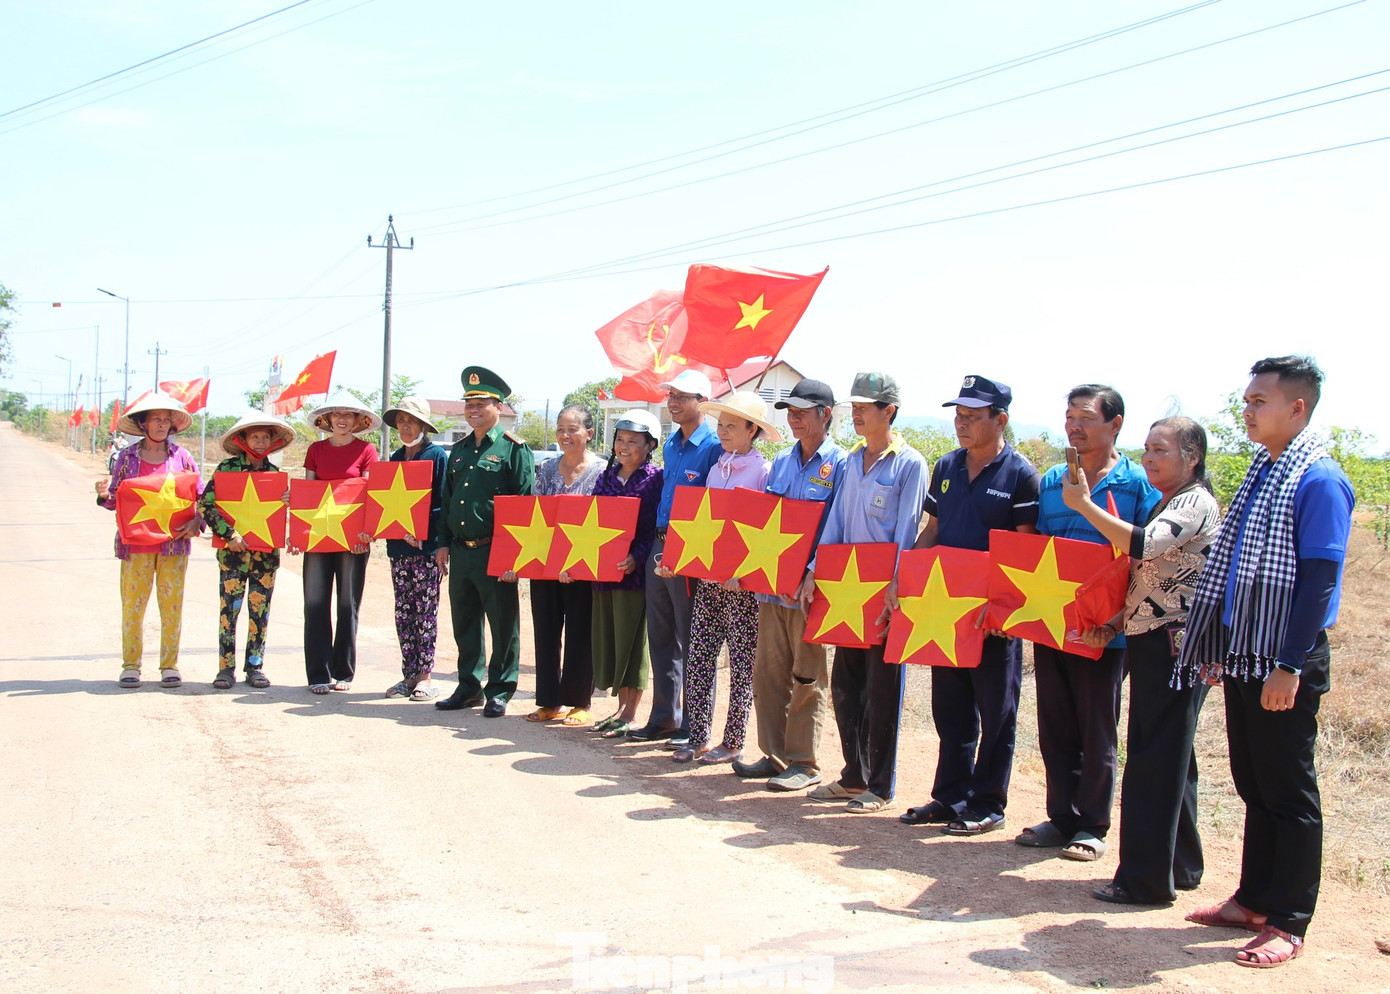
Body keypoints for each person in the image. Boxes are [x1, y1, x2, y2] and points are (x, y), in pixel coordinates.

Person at [1176, 356, 1353, 969]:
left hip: (1284, 656)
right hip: (1247, 649)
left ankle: (1289, 920)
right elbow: (1237, 571)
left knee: (1289, 789)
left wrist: (1289, 665)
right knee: (1254, 782)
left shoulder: (1318, 479)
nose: (1246, 411)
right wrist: (1220, 646)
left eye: (1259, 401)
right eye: (1247, 400)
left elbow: (1319, 581)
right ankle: (1253, 900)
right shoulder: (1263, 470)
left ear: (1296, 408)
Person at [1060, 416, 1220, 903]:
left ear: (1192, 457)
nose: (1149, 458)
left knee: (1154, 757)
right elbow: (1145, 575)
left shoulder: (1194, 502)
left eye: (1161, 450)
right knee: (1173, 754)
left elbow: (1143, 545)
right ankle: (1179, 864)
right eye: (1147, 449)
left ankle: (1144, 881)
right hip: (1156, 639)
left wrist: (1083, 505)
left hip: (1173, 643)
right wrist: (1114, 624)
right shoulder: (1171, 500)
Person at [1016, 384, 1160, 860]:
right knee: (1055, 724)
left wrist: (1116, 622)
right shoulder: (1053, 479)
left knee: (1097, 727)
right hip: (1053, 621)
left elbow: (1144, 557)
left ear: (1115, 424)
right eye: (1069, 418)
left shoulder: (1139, 483)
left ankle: (1093, 825)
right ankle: (1061, 817)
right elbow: (1038, 547)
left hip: (1106, 630)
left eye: (1085, 418)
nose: (1073, 427)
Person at [895, 375, 1040, 835]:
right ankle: (950, 796)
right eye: (958, 416)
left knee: (997, 712)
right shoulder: (947, 465)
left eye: (972, 417)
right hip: (946, 609)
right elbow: (933, 530)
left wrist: (1006, 608)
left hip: (992, 616)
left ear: (1001, 420)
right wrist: (903, 577)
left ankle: (987, 802)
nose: (961, 424)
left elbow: (1026, 550)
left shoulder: (1021, 474)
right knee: (951, 708)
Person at [798, 372, 927, 813]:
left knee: (882, 689)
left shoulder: (910, 464)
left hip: (885, 593)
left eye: (864, 407)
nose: (855, 414)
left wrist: (898, 584)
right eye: (852, 407)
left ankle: (882, 784)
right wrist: (814, 570)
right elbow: (835, 520)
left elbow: (908, 530)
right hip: (845, 589)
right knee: (847, 686)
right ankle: (853, 775)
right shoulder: (852, 461)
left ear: (888, 411)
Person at [731, 378, 845, 792]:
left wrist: (810, 571)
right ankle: (774, 755)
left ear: (825, 415)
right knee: (768, 675)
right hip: (771, 588)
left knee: (807, 678)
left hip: (809, 591)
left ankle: (804, 762)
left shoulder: (842, 465)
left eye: (801, 412)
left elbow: (836, 527)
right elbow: (764, 522)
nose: (793, 419)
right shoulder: (780, 462)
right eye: (790, 412)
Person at [672, 391, 778, 764]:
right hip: (708, 582)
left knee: (741, 665)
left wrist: (743, 572)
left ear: (753, 430)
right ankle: (698, 736)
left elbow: (764, 528)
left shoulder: (764, 472)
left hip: (742, 588)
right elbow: (704, 523)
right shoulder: (716, 469)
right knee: (699, 656)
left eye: (733, 426)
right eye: (721, 424)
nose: (724, 431)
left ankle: (733, 742)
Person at [434, 366, 535, 718]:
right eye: (469, 404)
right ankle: (468, 687)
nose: (473, 409)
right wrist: (443, 543)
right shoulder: (459, 450)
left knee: (503, 624)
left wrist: (515, 557)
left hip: (496, 550)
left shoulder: (514, 449)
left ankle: (500, 690)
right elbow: (448, 500)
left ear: (499, 407)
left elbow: (524, 506)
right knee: (465, 623)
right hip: (461, 550)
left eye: (481, 403)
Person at [627, 369, 721, 746]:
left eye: (683, 396)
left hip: (691, 549)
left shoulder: (714, 445)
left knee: (694, 638)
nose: (674, 402)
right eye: (671, 396)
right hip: (659, 543)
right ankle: (664, 717)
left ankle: (694, 726)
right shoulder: (670, 443)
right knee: (661, 635)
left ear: (703, 402)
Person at [96, 390, 203, 688]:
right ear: (142, 424)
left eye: (166, 420)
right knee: (133, 608)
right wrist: (102, 495)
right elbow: (116, 500)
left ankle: (169, 666)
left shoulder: (183, 458)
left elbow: (202, 496)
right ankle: (130, 666)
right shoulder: (126, 458)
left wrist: (198, 520)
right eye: (156, 419)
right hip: (135, 546)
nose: (162, 424)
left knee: (172, 608)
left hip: (174, 546)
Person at [199, 411, 296, 690]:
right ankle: (225, 669)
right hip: (232, 555)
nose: (261, 442)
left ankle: (255, 667)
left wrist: (290, 499)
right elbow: (205, 505)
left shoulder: (276, 476)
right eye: (255, 436)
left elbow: (285, 514)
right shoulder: (226, 470)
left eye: (265, 437)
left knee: (260, 612)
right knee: (228, 612)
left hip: (265, 557)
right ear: (242, 439)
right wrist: (229, 535)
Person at [522, 404, 604, 725]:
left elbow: (605, 519)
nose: (565, 435)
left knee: (581, 633)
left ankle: (580, 702)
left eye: (572, 429)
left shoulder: (602, 470)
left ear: (589, 433)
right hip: (545, 564)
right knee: (545, 630)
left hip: (584, 564)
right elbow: (534, 515)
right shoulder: (545, 469)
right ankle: (548, 701)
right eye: (560, 429)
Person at [295, 392, 379, 694]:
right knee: (315, 602)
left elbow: (370, 493)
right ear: (327, 419)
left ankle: (343, 672)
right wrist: (297, 521)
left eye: (349, 414)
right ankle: (319, 674)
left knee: (347, 604)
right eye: (336, 414)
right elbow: (308, 492)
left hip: (353, 539)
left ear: (358, 420)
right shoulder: (315, 450)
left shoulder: (367, 450)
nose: (342, 419)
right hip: (318, 535)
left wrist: (365, 533)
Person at [590, 410, 664, 737]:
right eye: (620, 439)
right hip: (603, 573)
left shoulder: (656, 479)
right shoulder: (605, 477)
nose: (624, 446)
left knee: (633, 643)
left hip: (636, 575)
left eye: (633, 441)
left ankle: (631, 714)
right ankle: (619, 709)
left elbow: (655, 528)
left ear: (650, 445)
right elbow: (590, 520)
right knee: (613, 641)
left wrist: (637, 556)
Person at [380, 396, 450, 702]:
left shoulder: (436, 456)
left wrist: (427, 535)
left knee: (425, 612)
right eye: (401, 421)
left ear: (423, 425)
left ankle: (425, 677)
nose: (406, 426)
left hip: (425, 550)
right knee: (403, 611)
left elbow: (443, 503)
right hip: (398, 548)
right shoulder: (395, 458)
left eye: (412, 421)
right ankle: (408, 675)